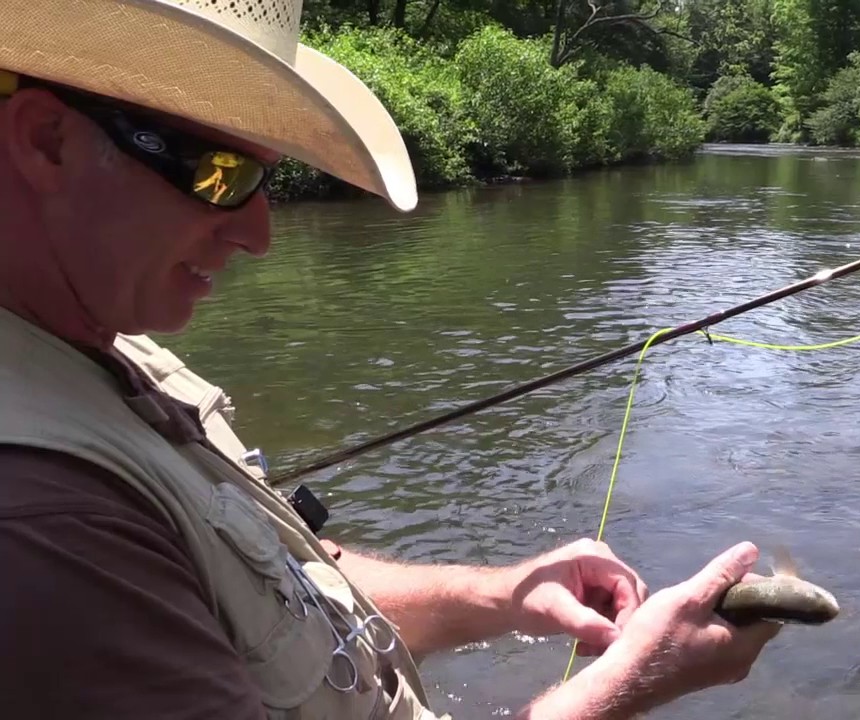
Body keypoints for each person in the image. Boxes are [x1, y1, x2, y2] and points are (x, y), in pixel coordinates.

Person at [0, 2, 782, 719]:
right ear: (47, 141)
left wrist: (504, 594)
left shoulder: (99, 341)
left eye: (269, 180)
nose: (259, 235)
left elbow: (283, 580)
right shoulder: (44, 522)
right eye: (221, 176)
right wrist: (627, 684)